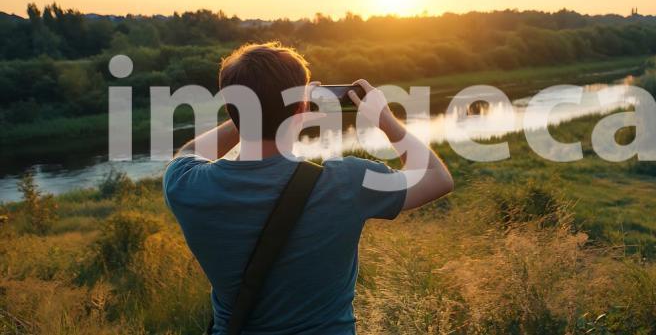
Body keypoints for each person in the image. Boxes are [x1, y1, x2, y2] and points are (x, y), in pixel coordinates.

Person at [163, 43, 453, 334]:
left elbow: (189, 152)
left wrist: (254, 113)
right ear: (303, 108)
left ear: (231, 109)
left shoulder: (186, 184)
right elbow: (436, 177)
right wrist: (385, 119)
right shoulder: (347, 183)